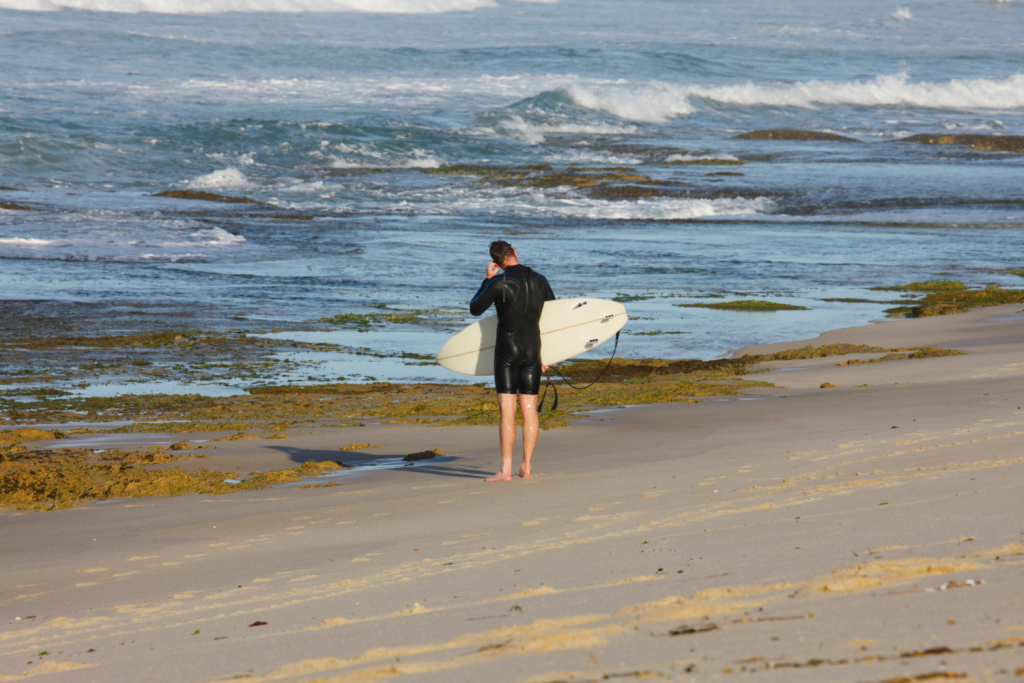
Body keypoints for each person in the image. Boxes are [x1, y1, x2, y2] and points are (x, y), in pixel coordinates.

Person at [469, 240, 555, 481]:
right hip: (533, 351)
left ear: (497, 263)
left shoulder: (498, 282)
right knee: (529, 410)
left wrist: (487, 280)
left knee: (507, 411)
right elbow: (555, 317)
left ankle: (506, 470)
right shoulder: (540, 280)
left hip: (507, 351)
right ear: (515, 252)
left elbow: (475, 308)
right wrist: (547, 355)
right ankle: (526, 466)